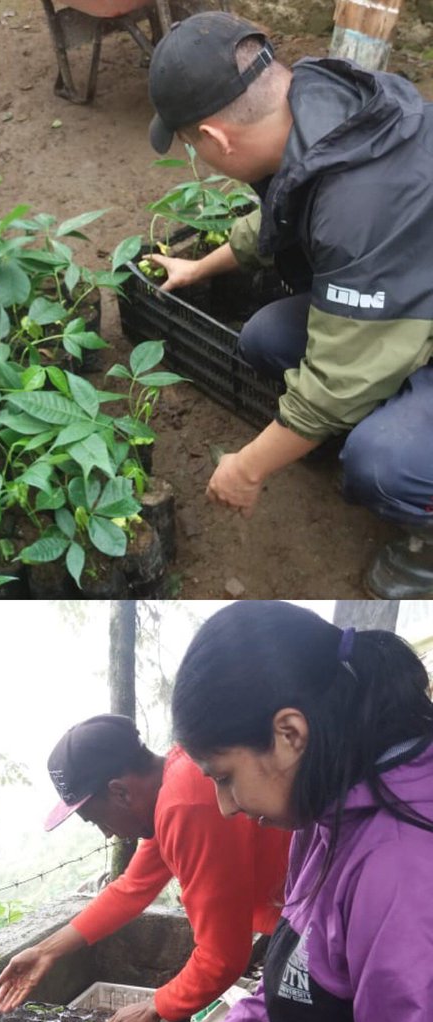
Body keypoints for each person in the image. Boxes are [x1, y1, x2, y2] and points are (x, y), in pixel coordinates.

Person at [105, 602, 433, 1022]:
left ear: (289, 734)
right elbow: (292, 987)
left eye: (225, 776)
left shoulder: (404, 868)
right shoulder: (325, 810)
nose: (226, 806)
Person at [143, 12, 433, 599]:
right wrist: (200, 265)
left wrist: (246, 468)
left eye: (193, 144)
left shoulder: (361, 205)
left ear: (217, 140)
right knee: (266, 337)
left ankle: (423, 545)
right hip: (411, 290)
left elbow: (334, 381)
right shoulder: (322, 101)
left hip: (409, 304)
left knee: (380, 463)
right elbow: (282, 206)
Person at [0, 715, 290, 1022]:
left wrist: (156, 1006)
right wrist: (46, 950)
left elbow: (223, 956)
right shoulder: (175, 779)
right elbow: (131, 889)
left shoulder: (186, 808)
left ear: (120, 792)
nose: (107, 834)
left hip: (317, 917)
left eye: (97, 820)